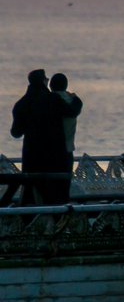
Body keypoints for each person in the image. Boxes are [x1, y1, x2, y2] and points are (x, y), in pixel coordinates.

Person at [10, 69, 68, 205]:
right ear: (42, 81)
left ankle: (28, 217)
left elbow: (16, 132)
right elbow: (71, 111)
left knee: (30, 193)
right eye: (46, 79)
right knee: (53, 196)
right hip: (52, 156)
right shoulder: (53, 99)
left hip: (31, 156)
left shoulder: (21, 104)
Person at [49, 73, 82, 205]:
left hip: (52, 150)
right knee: (64, 187)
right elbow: (76, 106)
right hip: (68, 149)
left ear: (51, 86)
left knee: (51, 188)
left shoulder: (49, 101)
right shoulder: (74, 101)